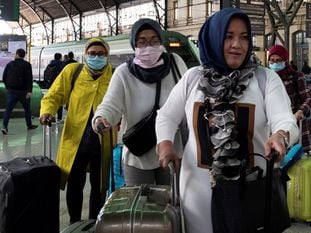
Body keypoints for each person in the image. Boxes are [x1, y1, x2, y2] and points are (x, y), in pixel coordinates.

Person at [155, 8, 299, 233]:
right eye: (228, 36)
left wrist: (280, 134)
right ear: (213, 37)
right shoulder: (193, 78)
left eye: (244, 37)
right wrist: (165, 144)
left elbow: (284, 118)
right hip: (197, 193)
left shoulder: (264, 79)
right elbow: (166, 116)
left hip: (250, 193)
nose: (237, 45)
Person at [91, 18, 188, 186]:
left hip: (173, 151)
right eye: (142, 42)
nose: (148, 47)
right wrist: (101, 118)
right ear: (134, 45)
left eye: (154, 41)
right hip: (138, 156)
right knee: (142, 207)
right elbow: (110, 104)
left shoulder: (175, 64)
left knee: (171, 205)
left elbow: (189, 97)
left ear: (161, 41)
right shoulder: (124, 73)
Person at [39, 37, 114, 225]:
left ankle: (94, 223)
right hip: (76, 140)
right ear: (85, 55)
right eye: (92, 53)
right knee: (75, 185)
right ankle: (75, 222)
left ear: (107, 55)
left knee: (99, 187)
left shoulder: (113, 75)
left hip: (103, 141)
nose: (96, 57)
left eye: (101, 54)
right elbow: (54, 95)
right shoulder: (72, 71)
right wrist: (47, 111)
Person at [268, 44, 311, 153]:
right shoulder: (266, 78)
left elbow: (308, 98)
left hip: (294, 126)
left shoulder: (296, 76)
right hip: (272, 128)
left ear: (285, 61)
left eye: (278, 60)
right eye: (272, 60)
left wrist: (301, 111)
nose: (275, 64)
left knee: (296, 162)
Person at [1, 48, 38, 135]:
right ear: (23, 56)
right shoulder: (27, 65)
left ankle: (5, 126)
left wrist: (8, 87)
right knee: (27, 109)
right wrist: (29, 91)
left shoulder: (10, 64)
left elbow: (4, 77)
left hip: (12, 91)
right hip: (23, 92)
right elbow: (29, 79)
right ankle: (29, 125)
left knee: (8, 109)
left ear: (17, 54)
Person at [44, 52, 66, 123]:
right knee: (59, 100)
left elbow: (45, 74)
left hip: (50, 84)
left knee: (51, 99)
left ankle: (51, 116)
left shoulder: (49, 65)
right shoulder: (62, 65)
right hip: (59, 85)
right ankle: (59, 118)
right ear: (60, 57)